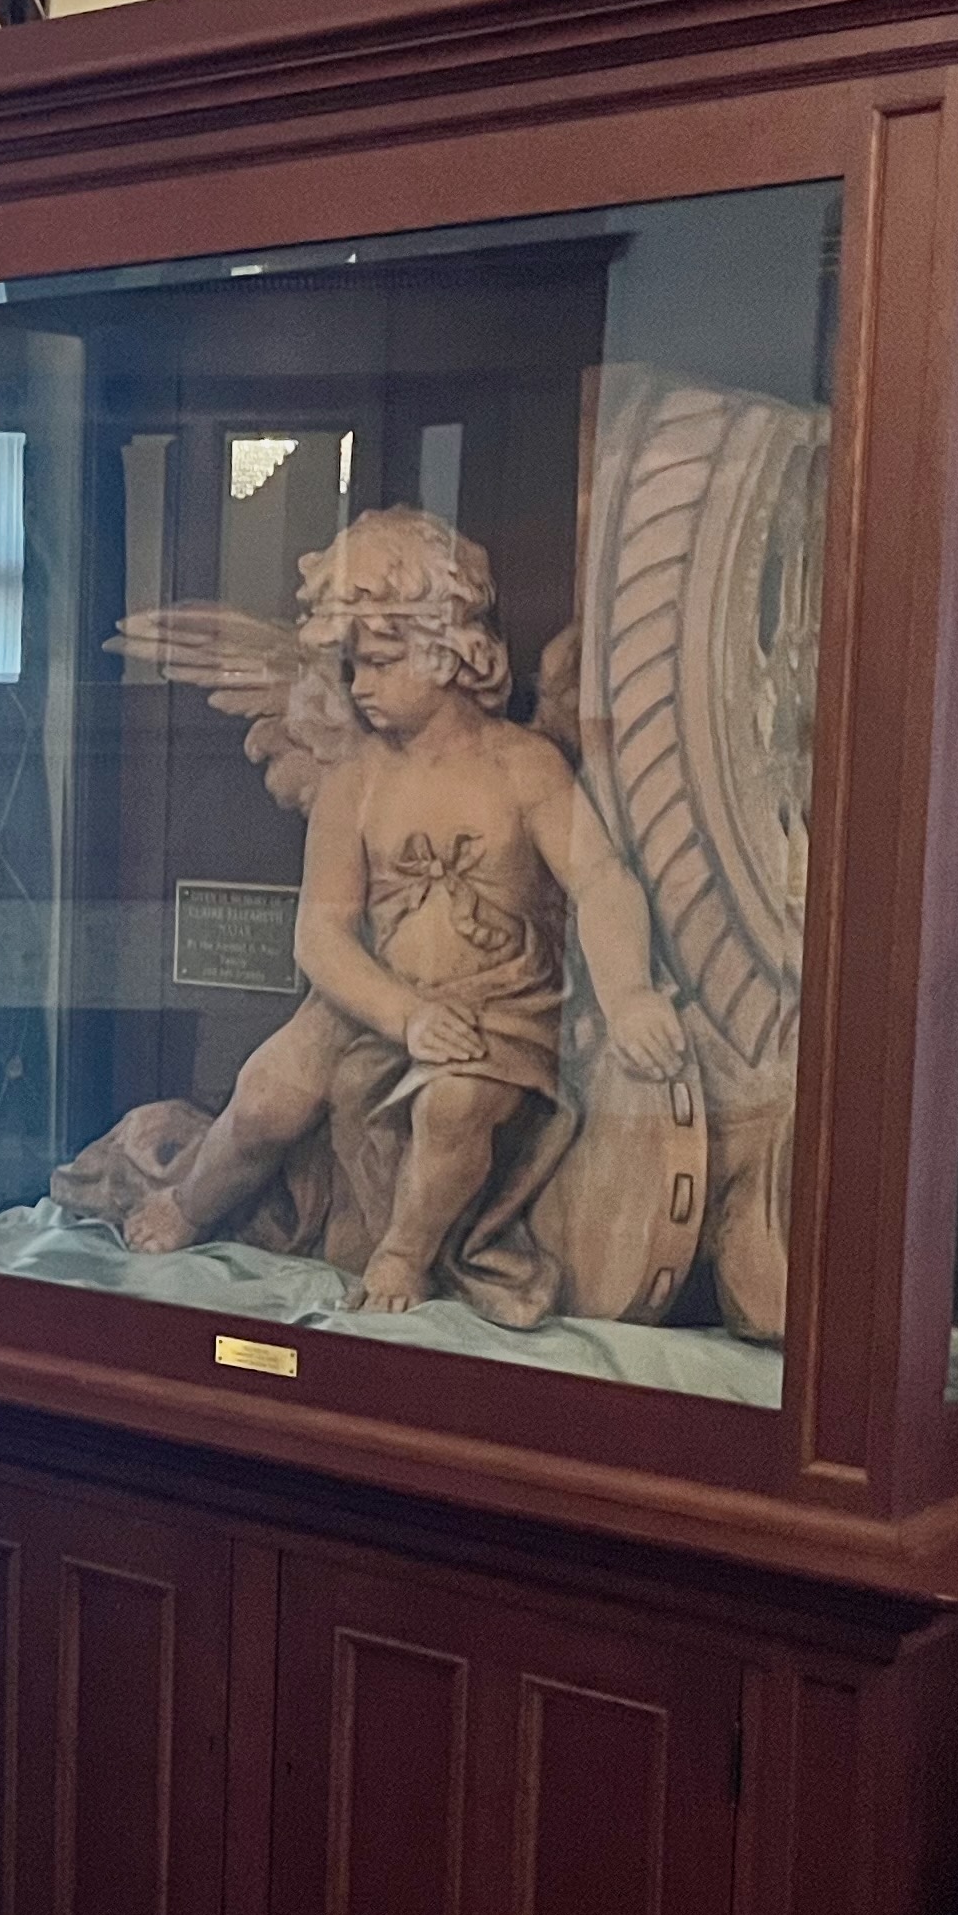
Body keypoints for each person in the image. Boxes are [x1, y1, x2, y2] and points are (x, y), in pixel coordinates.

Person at [160, 507, 687, 1318]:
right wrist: (404, 1015)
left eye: (379, 662)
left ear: (449, 650)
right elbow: (321, 936)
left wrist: (629, 994)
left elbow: (602, 881)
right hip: (372, 1000)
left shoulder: (524, 766)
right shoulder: (357, 781)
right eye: (351, 666)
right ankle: (187, 1204)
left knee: (454, 1104)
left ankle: (403, 1255)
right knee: (265, 1098)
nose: (359, 687)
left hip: (499, 1007)